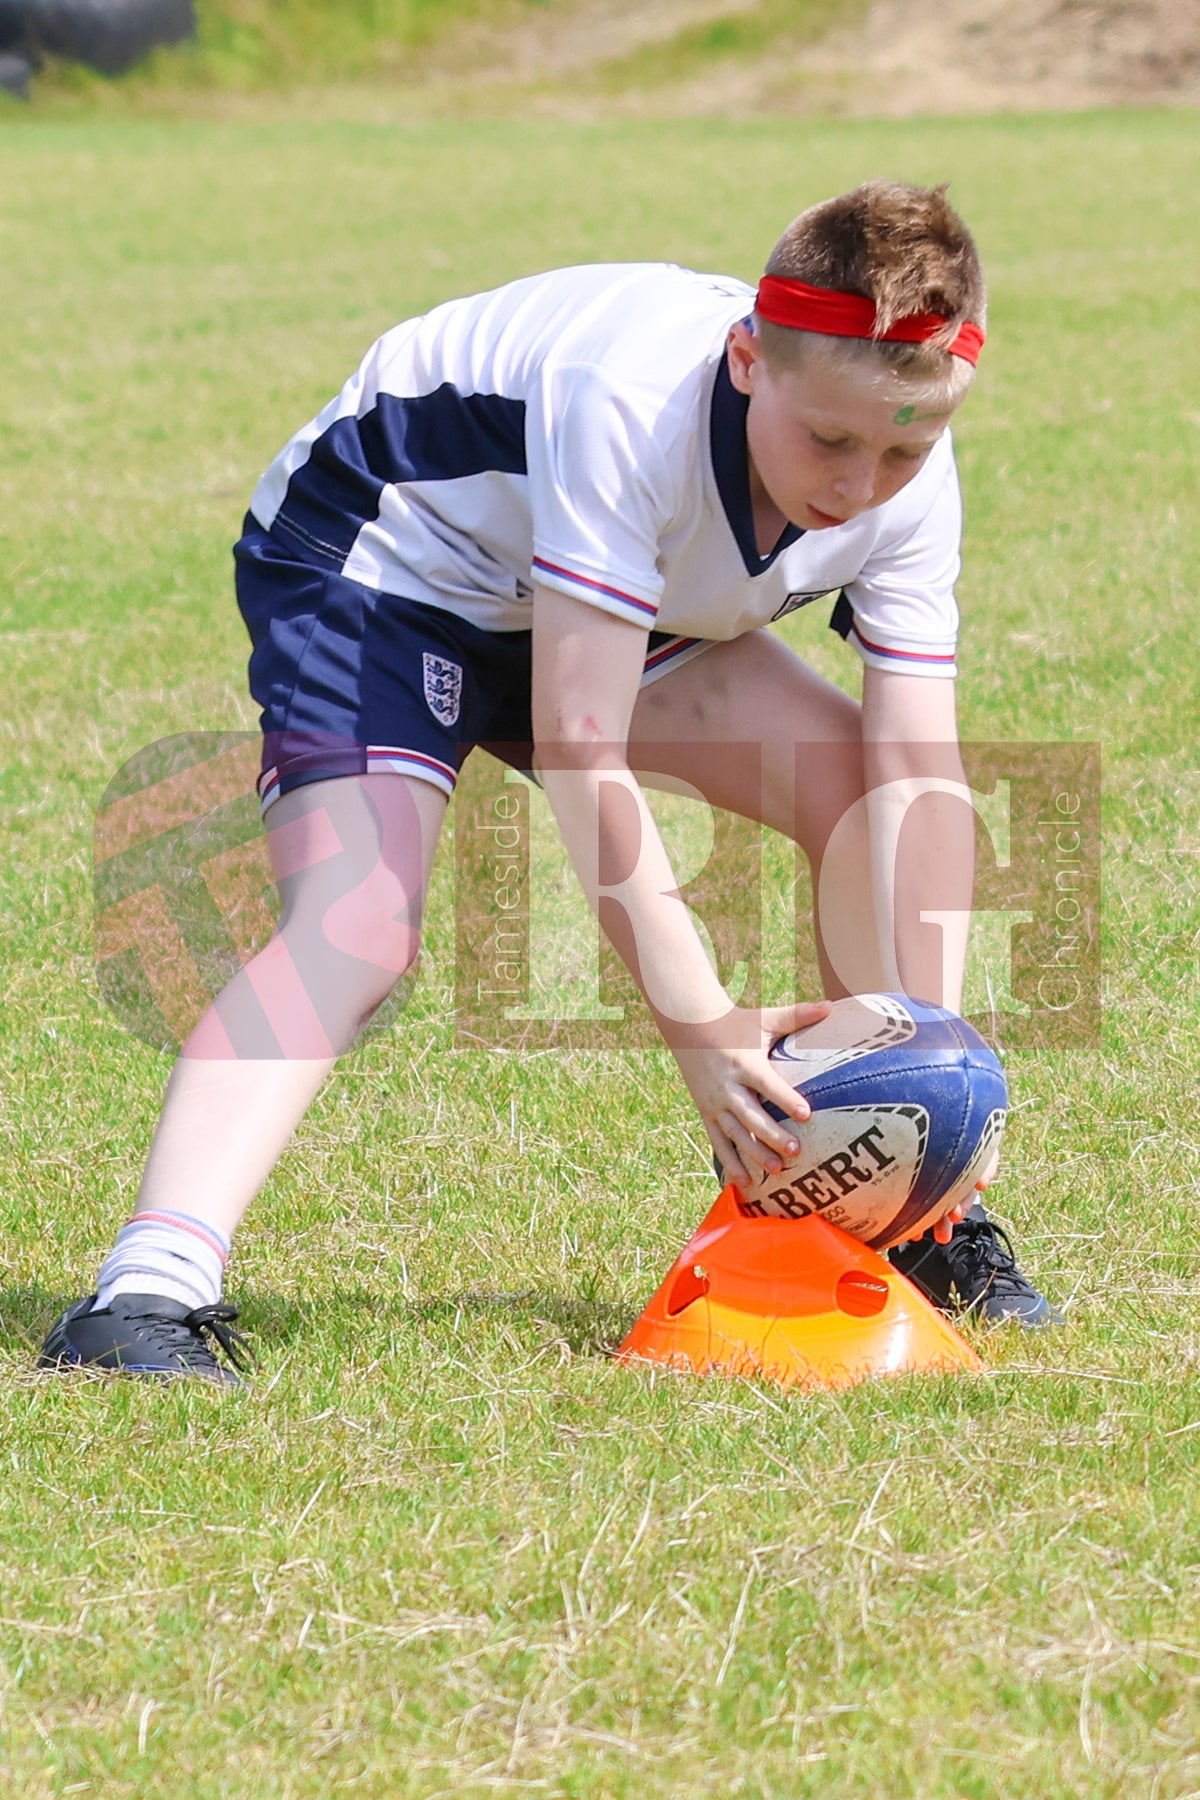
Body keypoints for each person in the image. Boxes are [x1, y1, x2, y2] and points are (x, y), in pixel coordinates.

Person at [41, 180, 1059, 1384]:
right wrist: (701, 1026)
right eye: (829, 440)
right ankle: (144, 1296)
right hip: (387, 563)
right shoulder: (630, 399)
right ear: (747, 359)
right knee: (359, 927)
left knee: (848, 790)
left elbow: (915, 777)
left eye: (905, 444)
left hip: (586, 597)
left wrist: (934, 1055)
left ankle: (911, 1224)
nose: (858, 482)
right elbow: (583, 742)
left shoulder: (905, 480)